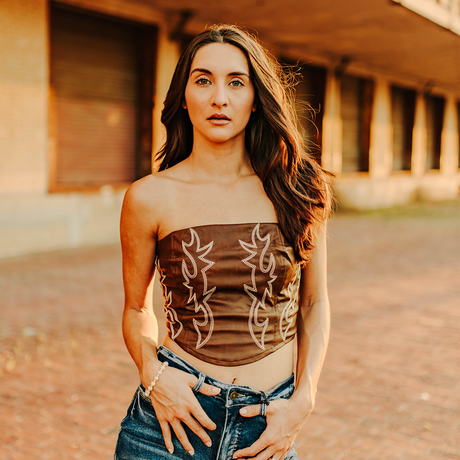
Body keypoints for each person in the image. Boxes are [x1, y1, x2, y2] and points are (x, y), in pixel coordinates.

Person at [115, 24, 333, 460]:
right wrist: (154, 376)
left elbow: (314, 304)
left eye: (237, 82)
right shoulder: (149, 197)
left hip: (268, 426)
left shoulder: (298, 188)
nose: (220, 98)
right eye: (203, 80)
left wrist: (304, 399)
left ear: (256, 100)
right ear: (183, 96)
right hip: (170, 422)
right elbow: (137, 310)